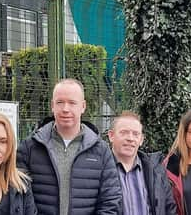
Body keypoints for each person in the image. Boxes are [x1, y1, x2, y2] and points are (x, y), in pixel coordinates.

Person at [17, 78, 121, 215]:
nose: (65, 109)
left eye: (72, 103)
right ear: (52, 105)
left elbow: (110, 200)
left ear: (83, 106)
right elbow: (19, 197)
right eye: (60, 102)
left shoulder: (101, 150)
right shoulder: (29, 147)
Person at [108, 111, 176, 215]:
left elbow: (169, 209)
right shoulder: (98, 169)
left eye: (135, 134)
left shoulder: (156, 172)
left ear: (141, 140)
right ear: (111, 135)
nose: (130, 138)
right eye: (124, 132)